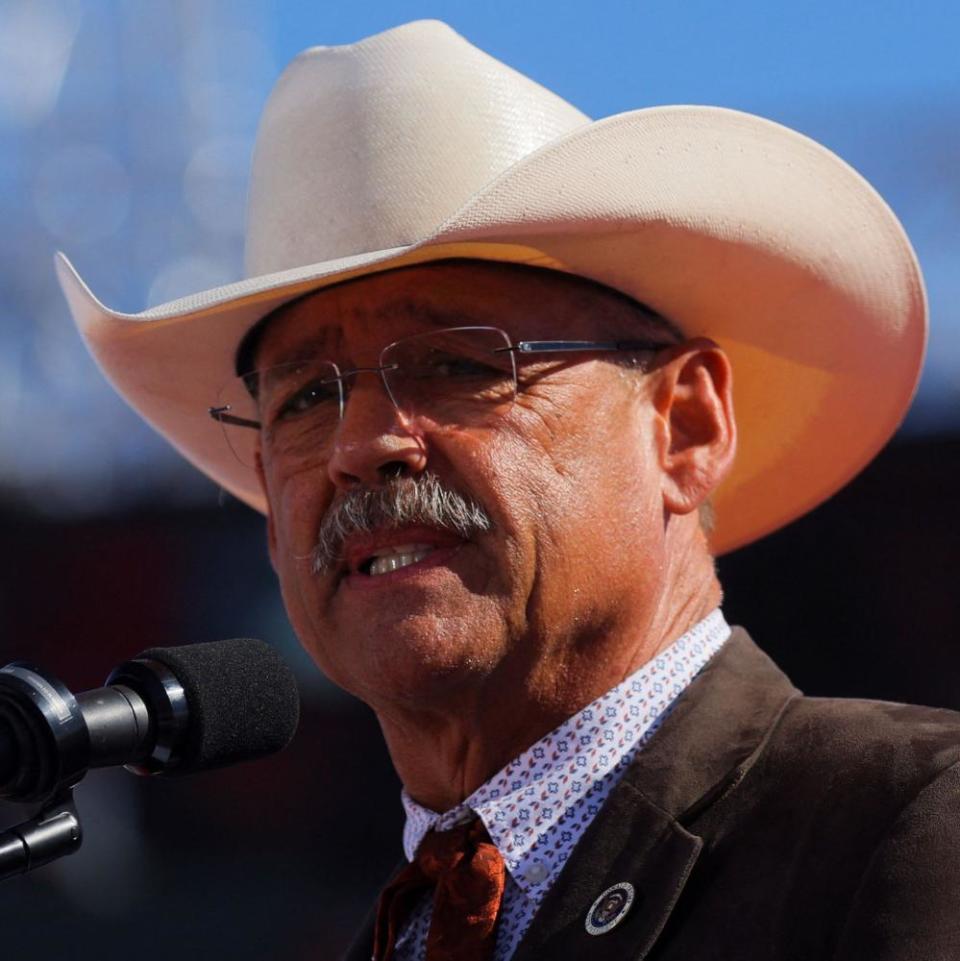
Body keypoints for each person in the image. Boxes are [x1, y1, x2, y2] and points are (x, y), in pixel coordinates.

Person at [57, 20, 958, 961]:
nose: (361, 446)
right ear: (266, 507)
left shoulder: (910, 826)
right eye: (308, 397)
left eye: (455, 363)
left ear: (684, 425)